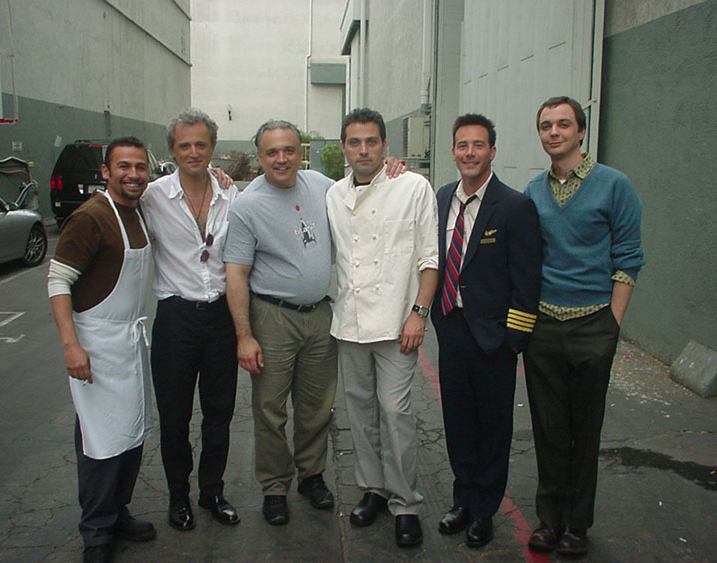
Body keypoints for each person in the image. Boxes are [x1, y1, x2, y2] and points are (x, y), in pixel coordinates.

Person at [224, 119, 405, 526]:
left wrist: (392, 169)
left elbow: (366, 190)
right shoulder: (248, 206)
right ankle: (274, 487)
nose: (281, 159)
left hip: (322, 315)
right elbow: (235, 273)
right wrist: (244, 335)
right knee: (271, 408)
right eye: (272, 152)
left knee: (316, 406)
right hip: (272, 317)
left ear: (299, 152)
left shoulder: (321, 185)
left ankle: (311, 476)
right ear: (259, 157)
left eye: (289, 150)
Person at [523, 96, 644, 556]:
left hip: (594, 324)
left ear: (581, 132)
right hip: (545, 327)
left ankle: (578, 524)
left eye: (563, 125)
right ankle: (549, 519)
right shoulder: (534, 191)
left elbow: (629, 260)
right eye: (546, 126)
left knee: (584, 430)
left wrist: (610, 324)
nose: (554, 132)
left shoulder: (614, 185)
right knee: (548, 429)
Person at [326, 108, 439, 547]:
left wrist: (419, 312)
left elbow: (429, 258)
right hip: (349, 322)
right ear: (343, 148)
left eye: (372, 141)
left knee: (395, 413)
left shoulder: (413, 187)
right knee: (360, 413)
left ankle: (405, 502)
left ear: (386, 146)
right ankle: (372, 489)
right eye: (354, 142)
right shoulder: (332, 194)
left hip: (397, 323)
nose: (364, 150)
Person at [430, 114, 543, 548]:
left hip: (494, 337)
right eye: (462, 145)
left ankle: (484, 510)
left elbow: (526, 282)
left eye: (479, 145)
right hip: (452, 329)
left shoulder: (514, 206)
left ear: (492, 151)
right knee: (457, 421)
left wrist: (513, 340)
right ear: (454, 151)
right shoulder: (441, 199)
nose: (470, 153)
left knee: (493, 427)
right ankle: (462, 498)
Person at [49, 137, 156, 563]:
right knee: (99, 443)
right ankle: (96, 534)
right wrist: (71, 345)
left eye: (140, 167)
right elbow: (58, 282)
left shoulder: (138, 211)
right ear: (106, 172)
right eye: (123, 166)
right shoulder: (91, 217)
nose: (133, 174)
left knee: (130, 435)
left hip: (129, 342)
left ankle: (117, 512)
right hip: (96, 344)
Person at [140, 108, 240, 532]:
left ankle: (212, 492)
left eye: (201, 144)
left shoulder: (232, 194)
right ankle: (178, 497)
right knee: (175, 416)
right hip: (176, 319)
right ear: (172, 150)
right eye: (185, 145)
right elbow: (114, 206)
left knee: (219, 413)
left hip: (221, 316)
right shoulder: (152, 196)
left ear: (213, 148)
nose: (194, 152)